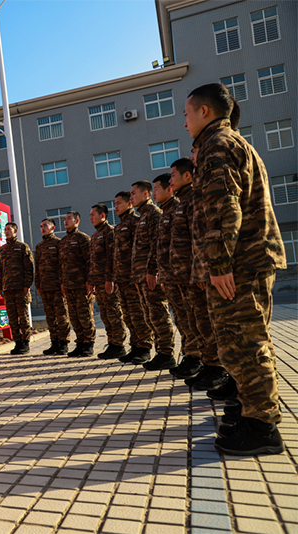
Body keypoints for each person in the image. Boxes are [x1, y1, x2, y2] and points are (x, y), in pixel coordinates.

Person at [185, 82, 286, 455]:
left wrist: (219, 263)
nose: (185, 123)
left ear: (205, 111)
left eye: (186, 114)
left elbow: (224, 207)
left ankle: (262, 428)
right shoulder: (229, 142)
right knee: (245, 341)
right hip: (246, 259)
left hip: (239, 263)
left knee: (243, 344)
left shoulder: (217, 145)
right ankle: (252, 411)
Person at [168, 158, 226, 392]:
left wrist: (201, 271)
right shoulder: (182, 202)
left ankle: (217, 368)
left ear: (187, 176)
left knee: (204, 322)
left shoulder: (193, 199)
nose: (170, 180)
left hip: (196, 275)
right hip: (183, 276)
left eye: (173, 175)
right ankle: (206, 363)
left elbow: (199, 237)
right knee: (194, 322)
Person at [126, 180, 175, 366]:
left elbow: (156, 245)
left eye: (133, 193)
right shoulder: (143, 216)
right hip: (142, 275)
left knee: (158, 314)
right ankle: (160, 352)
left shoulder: (153, 214)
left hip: (150, 275)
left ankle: (166, 353)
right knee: (150, 315)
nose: (131, 197)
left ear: (144, 194)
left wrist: (152, 270)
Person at [144, 174, 182, 371]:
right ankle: (168, 354)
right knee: (179, 318)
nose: (154, 193)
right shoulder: (164, 213)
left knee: (187, 318)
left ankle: (197, 359)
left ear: (169, 189)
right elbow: (156, 246)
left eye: (156, 189)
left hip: (181, 275)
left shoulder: (174, 209)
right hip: (167, 275)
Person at [112, 191, 152, 361]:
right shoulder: (119, 226)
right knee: (128, 315)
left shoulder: (135, 222)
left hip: (133, 278)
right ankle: (135, 346)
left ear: (129, 203)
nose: (115, 207)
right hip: (121, 279)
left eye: (119, 203)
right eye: (114, 204)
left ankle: (145, 348)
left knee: (138, 314)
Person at [88, 204, 126, 359]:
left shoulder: (110, 232)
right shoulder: (95, 235)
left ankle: (119, 345)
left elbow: (112, 257)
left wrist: (110, 279)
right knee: (105, 315)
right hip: (98, 282)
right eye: (90, 215)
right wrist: (91, 280)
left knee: (114, 313)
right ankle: (112, 344)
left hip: (107, 282)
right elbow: (93, 261)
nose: (91, 218)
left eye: (93, 215)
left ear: (103, 215)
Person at [58, 212, 94, 358]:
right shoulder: (63, 241)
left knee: (85, 315)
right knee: (74, 316)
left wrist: (89, 280)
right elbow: (61, 264)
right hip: (68, 285)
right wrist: (62, 282)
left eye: (69, 218)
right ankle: (80, 343)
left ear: (77, 221)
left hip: (81, 285)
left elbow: (90, 261)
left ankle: (89, 344)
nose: (65, 221)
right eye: (64, 219)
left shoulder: (83, 238)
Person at [0, 222, 35, 355]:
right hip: (8, 289)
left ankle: (25, 342)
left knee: (23, 317)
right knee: (12, 318)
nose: (7, 231)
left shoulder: (22, 247)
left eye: (9, 229)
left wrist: (27, 285)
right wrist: (0, 287)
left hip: (20, 288)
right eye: (5, 229)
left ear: (15, 231)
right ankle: (17, 342)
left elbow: (29, 267)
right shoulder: (2, 250)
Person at [35, 219, 69, 355]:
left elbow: (63, 265)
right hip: (44, 287)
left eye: (45, 225)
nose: (42, 228)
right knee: (50, 317)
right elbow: (37, 267)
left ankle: (64, 343)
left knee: (62, 316)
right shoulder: (39, 246)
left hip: (57, 287)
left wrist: (63, 283)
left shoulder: (59, 243)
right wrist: (37, 284)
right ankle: (54, 343)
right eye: (41, 226)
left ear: (53, 227)